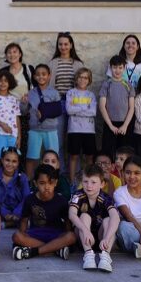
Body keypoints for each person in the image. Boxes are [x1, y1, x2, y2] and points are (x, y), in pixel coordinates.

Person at [12, 164, 76, 260]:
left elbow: (67, 223)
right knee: (16, 236)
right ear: (35, 183)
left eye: (50, 183)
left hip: (56, 234)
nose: (47, 187)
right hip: (36, 234)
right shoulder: (30, 199)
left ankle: (34, 251)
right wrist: (21, 238)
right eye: (42, 183)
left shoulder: (61, 200)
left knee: (71, 237)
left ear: (55, 183)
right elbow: (24, 221)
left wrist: (67, 238)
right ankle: (55, 250)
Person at [69, 164, 120, 272]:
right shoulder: (78, 196)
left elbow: (115, 217)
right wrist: (85, 231)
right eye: (85, 182)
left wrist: (107, 237)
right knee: (84, 216)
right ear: (81, 182)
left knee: (108, 220)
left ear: (102, 184)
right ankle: (88, 255)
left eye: (93, 182)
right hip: (83, 237)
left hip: (102, 238)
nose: (89, 186)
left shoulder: (105, 198)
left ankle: (105, 256)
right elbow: (72, 214)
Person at [48, 32, 84, 160]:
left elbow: (83, 85)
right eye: (60, 44)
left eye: (66, 44)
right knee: (59, 139)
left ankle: (75, 171)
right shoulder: (52, 63)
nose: (63, 47)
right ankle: (60, 170)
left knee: (73, 139)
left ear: (71, 45)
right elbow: (49, 86)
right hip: (58, 103)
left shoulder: (78, 64)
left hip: (74, 103)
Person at [25, 64, 61, 179]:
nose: (41, 77)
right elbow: (24, 111)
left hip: (50, 129)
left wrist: (45, 114)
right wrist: (23, 103)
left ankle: (54, 181)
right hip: (35, 129)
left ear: (49, 76)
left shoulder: (54, 93)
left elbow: (58, 110)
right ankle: (30, 184)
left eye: (44, 74)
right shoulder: (31, 93)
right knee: (32, 157)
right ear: (34, 77)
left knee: (53, 158)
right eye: (38, 74)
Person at [1, 42, 34, 160]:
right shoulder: (4, 71)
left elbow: (35, 88)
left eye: (15, 52)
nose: (12, 54)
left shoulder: (28, 69)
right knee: (10, 142)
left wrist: (29, 99)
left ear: (20, 54)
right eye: (9, 52)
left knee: (24, 142)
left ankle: (22, 173)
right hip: (9, 112)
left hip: (25, 110)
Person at [99, 55, 135, 158]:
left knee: (124, 154)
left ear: (124, 68)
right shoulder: (106, 84)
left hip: (125, 125)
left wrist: (125, 125)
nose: (117, 70)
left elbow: (131, 107)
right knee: (108, 153)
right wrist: (110, 125)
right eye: (115, 67)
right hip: (110, 124)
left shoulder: (128, 85)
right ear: (110, 68)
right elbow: (102, 106)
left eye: (120, 67)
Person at [65, 68, 97, 184]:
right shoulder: (71, 93)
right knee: (74, 156)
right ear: (76, 79)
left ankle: (90, 180)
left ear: (89, 80)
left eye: (85, 78)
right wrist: (85, 108)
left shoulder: (91, 95)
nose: (83, 80)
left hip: (89, 130)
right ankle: (72, 181)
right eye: (80, 77)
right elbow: (69, 110)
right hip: (74, 129)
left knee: (89, 157)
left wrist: (77, 108)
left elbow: (93, 112)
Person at [0, 147, 30, 228]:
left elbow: (26, 198)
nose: (10, 164)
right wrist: (4, 213)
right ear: (2, 160)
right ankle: (10, 223)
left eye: (14, 161)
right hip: (0, 212)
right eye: (7, 160)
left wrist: (17, 213)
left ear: (18, 163)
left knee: (30, 211)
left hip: (19, 213)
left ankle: (8, 224)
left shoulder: (22, 177)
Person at [0, 69, 21, 168]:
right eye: (1, 80)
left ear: (10, 83)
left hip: (12, 135)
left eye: (6, 81)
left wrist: (19, 137)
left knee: (11, 162)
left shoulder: (14, 99)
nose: (3, 83)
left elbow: (17, 118)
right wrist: (2, 124)